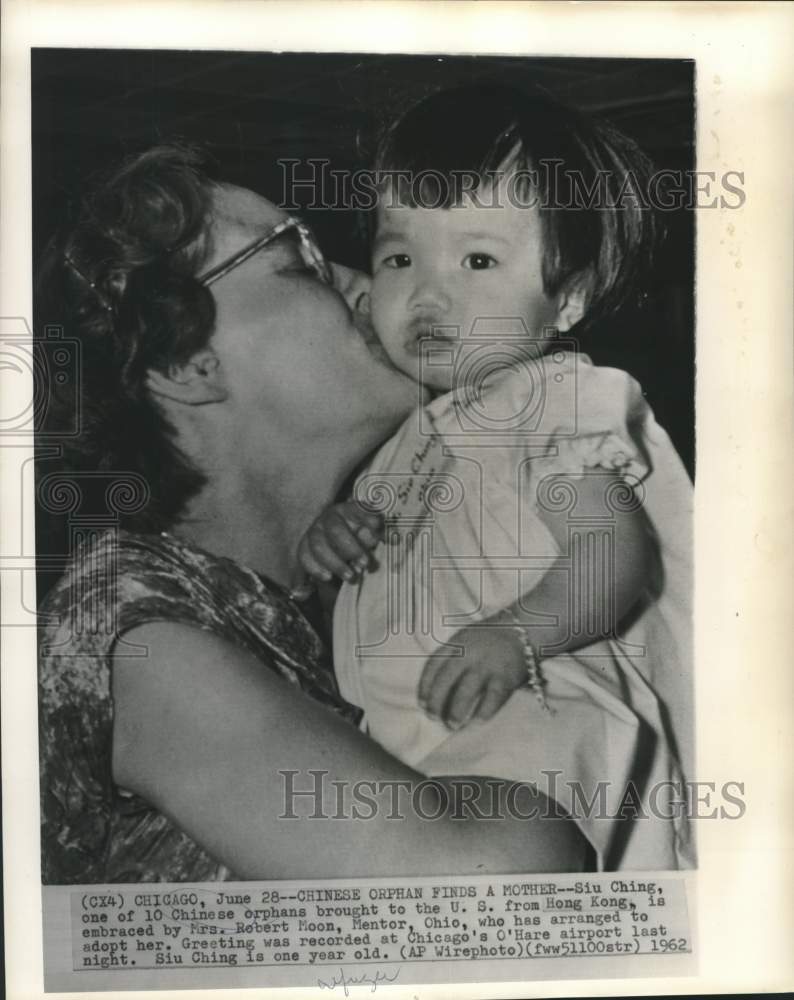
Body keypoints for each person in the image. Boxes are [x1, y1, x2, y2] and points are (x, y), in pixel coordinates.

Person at [36, 143, 586, 884]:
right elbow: (489, 877)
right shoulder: (132, 627)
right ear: (186, 366)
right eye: (298, 264)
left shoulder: (312, 599)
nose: (369, 287)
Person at [298, 87, 694, 870]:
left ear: (569, 298)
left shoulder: (547, 403)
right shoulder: (398, 444)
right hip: (422, 741)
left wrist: (517, 635)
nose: (428, 291)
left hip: (542, 710)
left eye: (477, 259)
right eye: (399, 256)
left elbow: (612, 555)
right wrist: (333, 541)